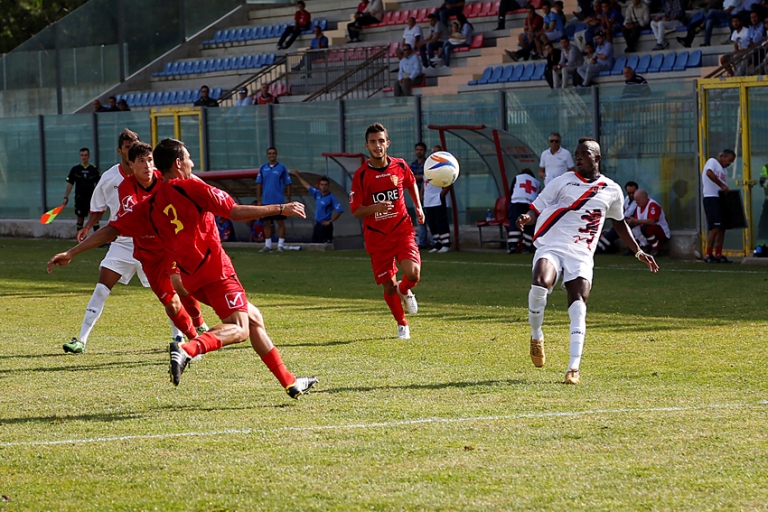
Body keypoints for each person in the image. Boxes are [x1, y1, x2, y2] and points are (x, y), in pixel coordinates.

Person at [49, 138, 318, 399]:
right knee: (240, 328)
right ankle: (189, 348)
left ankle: (290, 381)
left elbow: (112, 229)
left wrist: (72, 252)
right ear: (178, 163)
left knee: (255, 318)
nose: (191, 163)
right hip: (217, 272)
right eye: (188, 158)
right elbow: (234, 212)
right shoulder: (192, 187)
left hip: (191, 279)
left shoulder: (150, 205)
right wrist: (282, 208)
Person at [516, 137, 659, 385]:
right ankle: (536, 336)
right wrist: (526, 218)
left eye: (585, 153)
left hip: (581, 253)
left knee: (578, 305)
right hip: (552, 244)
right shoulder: (562, 180)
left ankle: (573, 368)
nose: (579, 157)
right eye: (577, 153)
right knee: (539, 285)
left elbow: (619, 222)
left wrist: (638, 251)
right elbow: (537, 206)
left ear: (597, 158)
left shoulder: (612, 190)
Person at [62, 128, 147, 354]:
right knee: (101, 287)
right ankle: (81, 340)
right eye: (128, 147)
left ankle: (180, 335)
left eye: (135, 147)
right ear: (120, 150)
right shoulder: (109, 177)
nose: (132, 151)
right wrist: (88, 227)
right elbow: (99, 208)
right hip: (120, 243)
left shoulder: (150, 174)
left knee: (168, 293)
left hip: (150, 244)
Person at [117, 142, 210, 341]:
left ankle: (200, 322)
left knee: (180, 283)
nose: (147, 166)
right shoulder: (126, 186)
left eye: (150, 160)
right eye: (141, 161)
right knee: (171, 304)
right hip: (148, 254)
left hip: (170, 246)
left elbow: (192, 182)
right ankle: (194, 338)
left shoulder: (164, 178)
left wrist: (209, 193)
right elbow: (136, 214)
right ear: (131, 165)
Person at [350, 123, 425, 340]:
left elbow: (411, 184)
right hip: (377, 237)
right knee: (389, 287)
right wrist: (376, 208)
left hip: (402, 229)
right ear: (367, 145)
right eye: (373, 142)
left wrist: (418, 206)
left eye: (381, 141)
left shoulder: (400, 166)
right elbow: (356, 210)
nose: (377, 145)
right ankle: (402, 324)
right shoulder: (361, 175)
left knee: (413, 274)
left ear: (387, 143)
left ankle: (406, 288)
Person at [701, 149, 736, 263]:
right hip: (711, 198)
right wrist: (721, 185)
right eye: (729, 160)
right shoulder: (712, 162)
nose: (729, 163)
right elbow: (709, 173)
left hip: (720, 198)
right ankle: (708, 254)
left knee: (722, 227)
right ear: (723, 157)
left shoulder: (724, 170)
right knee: (715, 227)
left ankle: (718, 254)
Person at [291, 170, 344, 243]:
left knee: (324, 246)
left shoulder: (331, 197)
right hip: (318, 224)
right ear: (319, 185)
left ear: (328, 186)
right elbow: (307, 186)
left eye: (325, 185)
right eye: (322, 185)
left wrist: (330, 221)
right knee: (314, 244)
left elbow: (340, 210)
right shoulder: (317, 193)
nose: (323, 187)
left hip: (325, 226)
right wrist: (298, 175)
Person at [256, 147, 292, 252]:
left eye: (273, 153)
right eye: (270, 153)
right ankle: (268, 245)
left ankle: (280, 245)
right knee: (266, 223)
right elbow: (259, 184)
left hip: (278, 201)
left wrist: (288, 198)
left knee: (280, 222)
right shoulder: (263, 168)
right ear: (267, 155)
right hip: (266, 201)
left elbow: (288, 184)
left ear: (276, 155)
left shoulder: (281, 168)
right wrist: (259, 200)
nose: (272, 155)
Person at [62, 147, 100, 234]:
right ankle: (80, 239)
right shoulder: (75, 169)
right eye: (82, 155)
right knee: (80, 218)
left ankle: (97, 240)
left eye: (86, 155)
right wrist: (66, 197)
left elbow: (99, 185)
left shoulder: (93, 170)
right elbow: (70, 183)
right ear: (80, 156)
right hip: (80, 198)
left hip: (91, 198)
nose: (84, 157)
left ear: (89, 156)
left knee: (94, 218)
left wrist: (102, 197)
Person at [677, 0, 743, 48]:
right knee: (710, 21)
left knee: (711, 12)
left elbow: (728, 10)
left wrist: (719, 12)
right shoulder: (726, 0)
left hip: (732, 17)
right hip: (724, 17)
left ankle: (701, 26)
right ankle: (707, 41)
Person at [596, 180, 638, 253]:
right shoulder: (627, 199)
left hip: (634, 223)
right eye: (629, 193)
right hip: (624, 222)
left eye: (633, 193)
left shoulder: (640, 200)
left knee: (616, 232)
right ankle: (600, 248)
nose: (631, 195)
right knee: (610, 233)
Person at [627, 189, 670, 256]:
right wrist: (632, 221)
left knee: (646, 228)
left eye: (638, 200)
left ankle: (657, 248)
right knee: (631, 227)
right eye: (635, 200)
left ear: (644, 198)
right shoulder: (638, 207)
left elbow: (652, 221)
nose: (636, 202)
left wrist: (636, 221)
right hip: (648, 229)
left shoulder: (652, 205)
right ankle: (644, 246)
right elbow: (637, 220)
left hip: (661, 231)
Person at [506, 168, 539, 254]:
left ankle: (512, 246)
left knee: (514, 223)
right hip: (530, 204)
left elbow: (511, 191)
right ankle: (527, 247)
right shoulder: (536, 182)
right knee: (528, 224)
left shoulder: (518, 177)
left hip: (517, 202)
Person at [422, 166, 451, 253]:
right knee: (431, 222)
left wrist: (442, 194)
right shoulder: (427, 169)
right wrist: (421, 194)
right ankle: (437, 243)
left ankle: (446, 243)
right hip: (428, 200)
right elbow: (424, 183)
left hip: (437, 199)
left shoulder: (443, 171)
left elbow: (448, 182)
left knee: (441, 221)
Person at [411, 142, 433, 248]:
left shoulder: (428, 164)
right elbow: (411, 179)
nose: (419, 151)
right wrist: (422, 176)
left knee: (431, 218)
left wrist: (420, 177)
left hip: (428, 194)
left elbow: (428, 177)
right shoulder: (413, 164)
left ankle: (434, 241)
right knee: (420, 219)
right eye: (417, 149)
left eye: (421, 149)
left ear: (425, 151)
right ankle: (423, 242)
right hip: (415, 195)